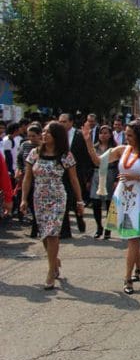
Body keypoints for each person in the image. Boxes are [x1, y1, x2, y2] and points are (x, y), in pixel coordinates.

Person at [83, 121, 140, 294]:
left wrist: (137, 178)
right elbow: (98, 161)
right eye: (126, 134)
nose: (127, 138)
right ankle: (139, 265)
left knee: (133, 236)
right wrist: (88, 143)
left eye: (130, 135)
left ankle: (127, 278)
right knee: (131, 237)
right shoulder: (122, 150)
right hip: (122, 198)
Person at [19, 121, 84, 290]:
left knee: (52, 233)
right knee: (43, 234)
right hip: (38, 197)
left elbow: (73, 179)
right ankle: (54, 260)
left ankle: (50, 272)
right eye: (44, 131)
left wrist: (79, 201)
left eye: (48, 132)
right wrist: (24, 199)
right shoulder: (35, 153)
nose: (44, 134)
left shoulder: (65, 155)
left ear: (57, 136)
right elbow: (27, 178)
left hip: (57, 198)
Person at [88, 125, 116, 240]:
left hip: (110, 174)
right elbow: (90, 163)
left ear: (110, 135)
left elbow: (119, 164)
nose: (103, 135)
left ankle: (108, 229)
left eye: (106, 133)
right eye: (101, 133)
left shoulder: (114, 148)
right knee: (96, 202)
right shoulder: (94, 147)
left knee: (109, 203)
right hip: (97, 175)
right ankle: (99, 227)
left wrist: (117, 179)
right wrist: (88, 180)